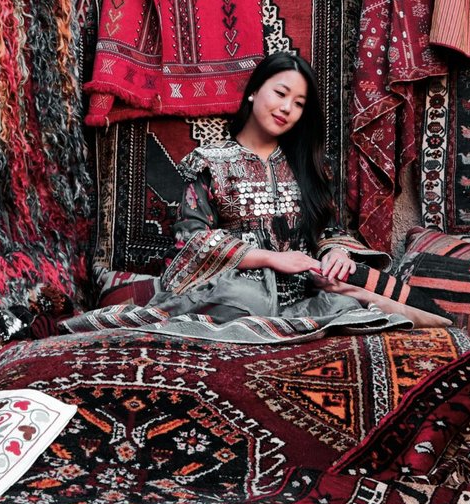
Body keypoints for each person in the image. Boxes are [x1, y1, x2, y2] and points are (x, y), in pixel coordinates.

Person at [150, 51, 452, 330]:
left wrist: (337, 252)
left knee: (349, 302)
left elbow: (330, 229)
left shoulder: (311, 167)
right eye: (281, 94)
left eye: (298, 104)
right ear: (254, 91)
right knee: (243, 299)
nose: (286, 108)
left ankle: (292, 323)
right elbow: (189, 240)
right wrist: (270, 258)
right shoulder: (208, 162)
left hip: (304, 290)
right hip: (237, 288)